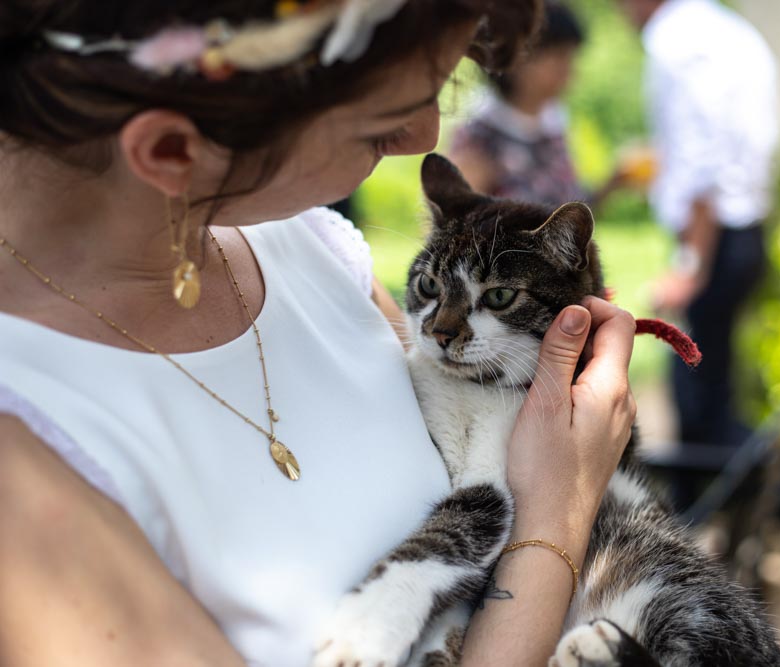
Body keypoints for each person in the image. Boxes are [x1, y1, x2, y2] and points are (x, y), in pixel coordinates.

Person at [0, 2, 641, 665]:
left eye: (437, 93)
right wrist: (559, 512)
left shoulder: (314, 250)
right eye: (380, 125)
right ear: (170, 150)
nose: (424, 138)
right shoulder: (21, 469)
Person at [618, 0, 780, 609]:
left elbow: (702, 159)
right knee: (707, 412)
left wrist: (691, 263)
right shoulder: (722, 29)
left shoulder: (679, 39)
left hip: (715, 244)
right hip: (738, 235)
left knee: (701, 418)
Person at [448, 1, 626, 207]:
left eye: (571, 58)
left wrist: (614, 182)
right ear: (516, 57)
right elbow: (455, 221)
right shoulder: (480, 134)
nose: (568, 72)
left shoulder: (552, 122)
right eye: (558, 58)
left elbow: (564, 206)